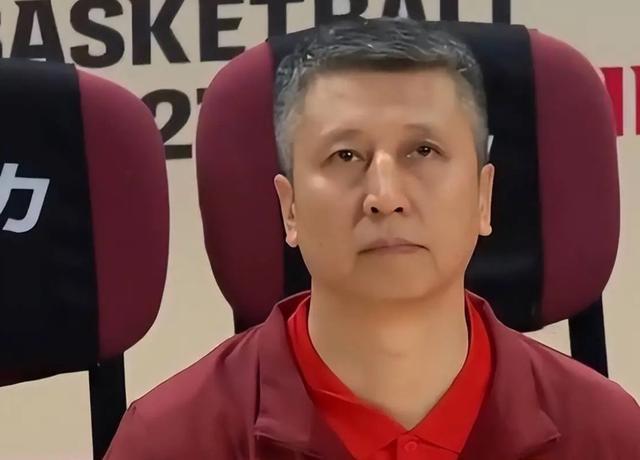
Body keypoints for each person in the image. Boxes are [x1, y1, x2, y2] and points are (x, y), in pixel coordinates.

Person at [105, 17, 640, 459]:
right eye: (345, 156)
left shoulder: (607, 435)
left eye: (423, 151)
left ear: (483, 197)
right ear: (290, 209)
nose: (385, 195)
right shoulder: (172, 442)